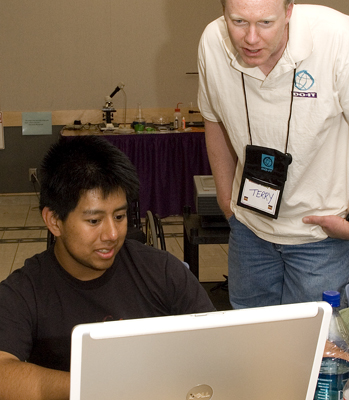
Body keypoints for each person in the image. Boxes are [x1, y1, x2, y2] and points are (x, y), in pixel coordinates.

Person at [0, 136, 215, 400]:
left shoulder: (163, 271)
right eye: (94, 220)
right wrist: (101, 385)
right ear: (54, 221)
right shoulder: (23, 292)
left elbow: (216, 347)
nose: (112, 234)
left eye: (120, 216)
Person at [198, 0, 349, 309]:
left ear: (288, 12)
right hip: (249, 228)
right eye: (238, 21)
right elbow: (212, 117)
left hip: (321, 236)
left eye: (266, 23)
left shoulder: (339, 38)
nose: (251, 38)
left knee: (314, 349)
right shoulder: (212, 41)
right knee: (252, 346)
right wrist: (225, 197)